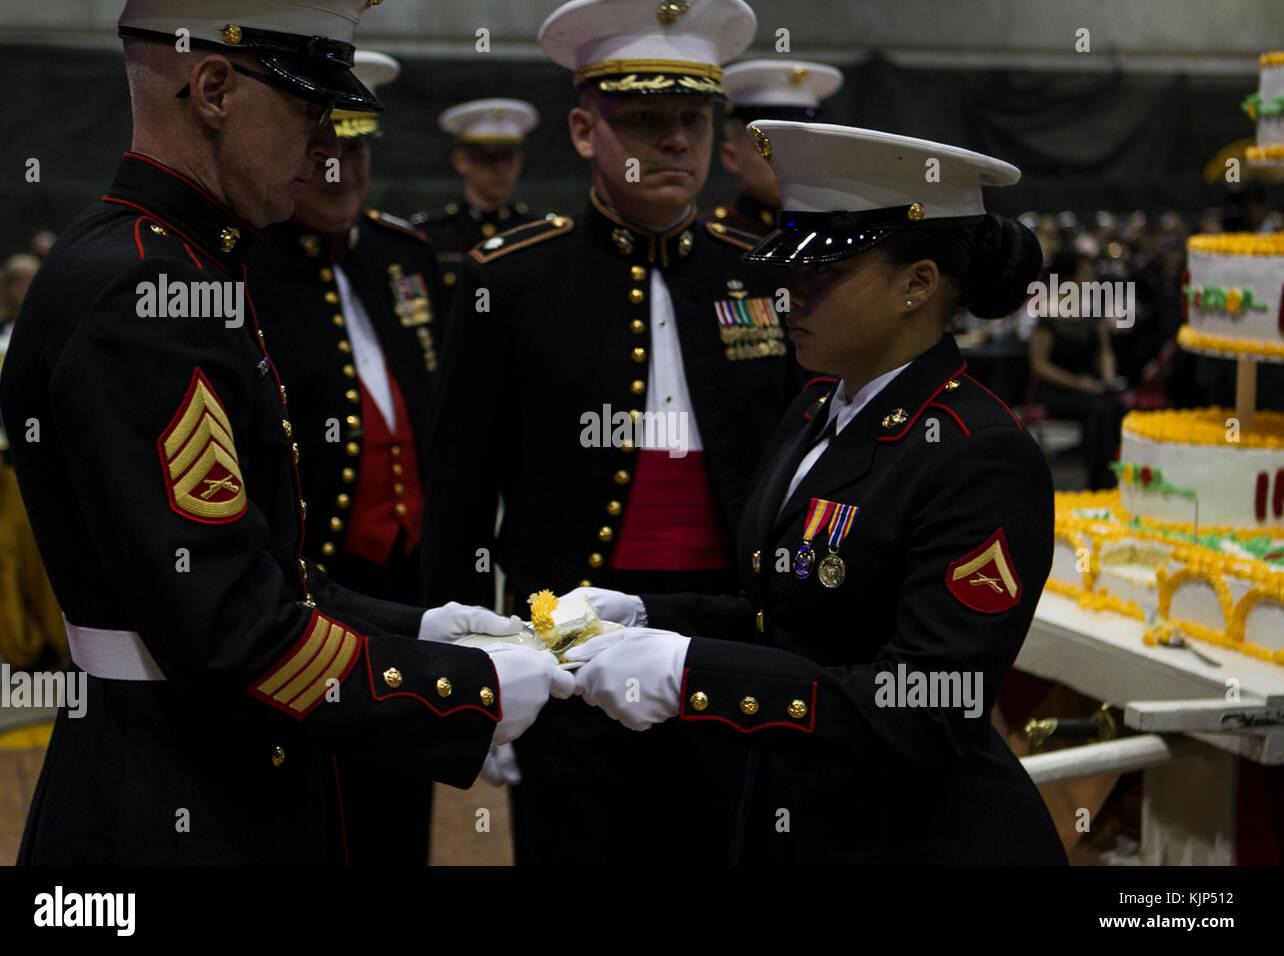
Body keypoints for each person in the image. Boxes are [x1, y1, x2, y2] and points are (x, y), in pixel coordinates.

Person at [0, 0, 571, 865]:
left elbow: (256, 563)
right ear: (216, 87)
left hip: (198, 761)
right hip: (172, 796)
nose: (324, 143)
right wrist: (465, 693)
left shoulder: (173, 259)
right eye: (308, 110)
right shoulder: (146, 293)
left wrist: (418, 631)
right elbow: (231, 624)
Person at [565, 120, 1067, 865]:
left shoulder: (977, 454)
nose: (790, 294)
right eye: (792, 268)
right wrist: (646, 615)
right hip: (798, 809)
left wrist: (691, 672)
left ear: (917, 284)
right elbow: (791, 613)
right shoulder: (815, 407)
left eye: (823, 274)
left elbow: (931, 704)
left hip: (914, 836)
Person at [422, 0, 802, 864]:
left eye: (694, 119)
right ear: (586, 131)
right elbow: (458, 498)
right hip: (564, 647)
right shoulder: (511, 283)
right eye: (644, 119)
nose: (675, 140)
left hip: (726, 643)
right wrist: (465, 682)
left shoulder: (758, 277)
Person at [242, 50, 451, 863]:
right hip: (304, 589)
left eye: (357, 149)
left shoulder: (407, 259)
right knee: (310, 810)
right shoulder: (245, 266)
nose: (341, 170)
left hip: (412, 588)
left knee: (401, 805)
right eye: (322, 149)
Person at [411, 98, 539, 293]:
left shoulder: (535, 233)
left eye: (508, 158)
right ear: (461, 160)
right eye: (488, 158)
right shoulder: (430, 236)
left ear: (519, 161)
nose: (500, 168)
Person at [706, 58, 842, 235]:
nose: (796, 159)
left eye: (806, 144)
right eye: (775, 145)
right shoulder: (715, 240)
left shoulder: (834, 237)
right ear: (731, 157)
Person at [1028, 249, 1126, 489]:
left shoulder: (1094, 312)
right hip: (1059, 389)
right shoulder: (1047, 315)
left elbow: (1104, 352)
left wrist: (1108, 378)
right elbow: (1039, 365)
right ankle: (1100, 483)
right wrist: (1077, 383)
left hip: (1089, 386)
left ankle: (1118, 475)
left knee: (1116, 405)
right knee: (1100, 409)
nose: (1091, 279)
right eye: (1085, 274)